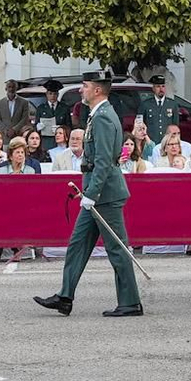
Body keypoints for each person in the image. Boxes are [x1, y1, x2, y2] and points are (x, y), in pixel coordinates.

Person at [34, 71, 140, 317]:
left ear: (97, 90)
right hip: (96, 191)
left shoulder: (103, 117)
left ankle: (130, 301)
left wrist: (91, 193)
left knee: (117, 249)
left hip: (105, 194)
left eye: (84, 86)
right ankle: (65, 296)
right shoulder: (98, 114)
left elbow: (103, 161)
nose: (81, 90)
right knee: (77, 244)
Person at [138, 75, 181, 141]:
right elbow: (140, 125)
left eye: (163, 86)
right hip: (151, 141)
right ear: (153, 88)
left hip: (167, 142)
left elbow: (175, 126)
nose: (161, 89)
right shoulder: (146, 104)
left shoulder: (172, 104)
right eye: (158, 86)